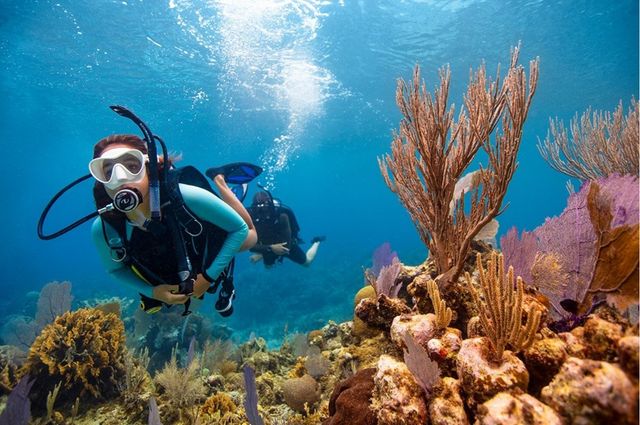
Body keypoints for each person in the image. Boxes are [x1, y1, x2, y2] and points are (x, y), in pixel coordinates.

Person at [90, 134, 256, 316]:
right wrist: (153, 292)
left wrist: (208, 277)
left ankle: (220, 181)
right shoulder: (104, 228)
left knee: (250, 237)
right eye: (108, 172)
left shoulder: (188, 196)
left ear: (148, 168)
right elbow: (115, 269)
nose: (120, 178)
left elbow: (238, 229)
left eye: (132, 166)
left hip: (207, 241)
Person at [247, 190, 324, 267]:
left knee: (307, 263)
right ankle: (265, 254)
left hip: (287, 243)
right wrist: (269, 248)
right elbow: (249, 245)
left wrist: (263, 253)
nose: (262, 213)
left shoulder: (282, 216)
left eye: (264, 209)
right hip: (269, 246)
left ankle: (316, 241)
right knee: (268, 267)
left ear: (270, 206)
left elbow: (286, 246)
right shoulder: (251, 217)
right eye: (258, 209)